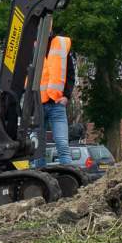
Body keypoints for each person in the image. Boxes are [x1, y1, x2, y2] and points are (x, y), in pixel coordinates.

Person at [36, 33, 75, 166]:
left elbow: (70, 73)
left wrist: (66, 96)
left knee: (62, 144)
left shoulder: (61, 44)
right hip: (37, 105)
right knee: (38, 148)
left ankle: (69, 176)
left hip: (56, 104)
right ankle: (39, 180)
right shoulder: (31, 47)